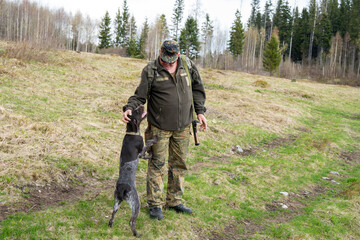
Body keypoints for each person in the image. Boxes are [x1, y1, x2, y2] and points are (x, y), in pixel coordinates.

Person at [122, 40, 207, 220]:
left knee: (179, 164)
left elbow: (198, 89)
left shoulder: (187, 64)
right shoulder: (151, 70)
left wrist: (200, 112)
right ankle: (155, 205)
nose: (168, 63)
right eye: (165, 59)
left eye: (172, 60)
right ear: (160, 53)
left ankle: (174, 201)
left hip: (183, 126)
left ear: (178, 55)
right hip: (159, 128)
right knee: (157, 164)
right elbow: (140, 95)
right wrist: (130, 107)